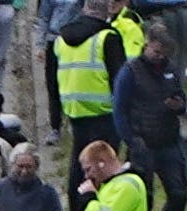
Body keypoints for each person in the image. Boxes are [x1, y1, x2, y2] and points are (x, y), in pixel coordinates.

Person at [118, 25, 187, 211]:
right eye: (156, 52)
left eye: (164, 54)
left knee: (179, 194)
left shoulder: (170, 70)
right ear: (147, 44)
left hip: (169, 141)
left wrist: (178, 105)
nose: (160, 57)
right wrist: (131, 140)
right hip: (143, 142)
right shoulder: (130, 71)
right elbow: (119, 109)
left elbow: (182, 99)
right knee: (144, 199)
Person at [54, 0, 134, 161]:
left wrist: (56, 117)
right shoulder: (107, 37)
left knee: (81, 162)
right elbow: (119, 79)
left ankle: (78, 187)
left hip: (74, 109)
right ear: (107, 12)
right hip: (104, 112)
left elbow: (52, 81)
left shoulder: (61, 39)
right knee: (105, 164)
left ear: (84, 9)